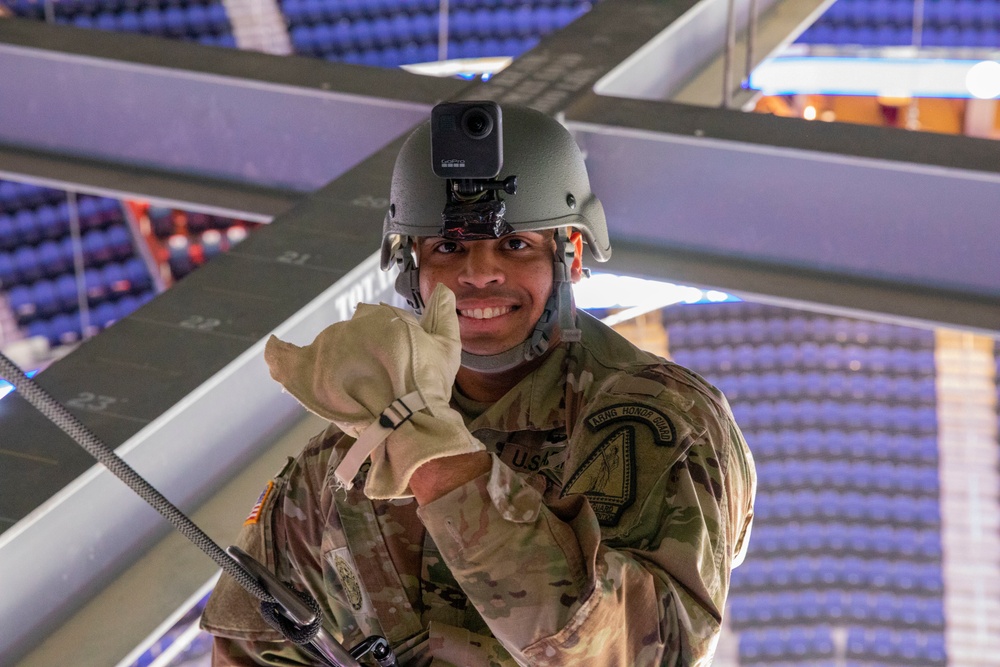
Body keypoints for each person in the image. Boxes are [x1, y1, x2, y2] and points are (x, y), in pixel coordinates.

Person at [201, 104, 756, 666]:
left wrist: (437, 460)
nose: (479, 273)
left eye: (515, 245)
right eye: (448, 247)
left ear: (573, 257)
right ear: (411, 270)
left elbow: (649, 654)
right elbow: (254, 644)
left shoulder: (659, 421)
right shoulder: (345, 455)